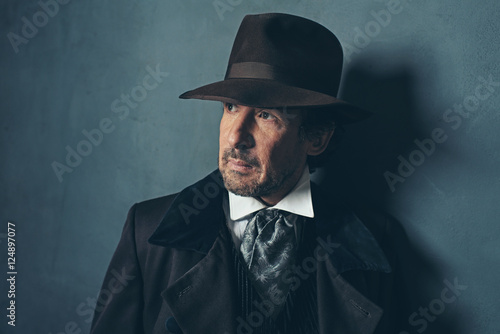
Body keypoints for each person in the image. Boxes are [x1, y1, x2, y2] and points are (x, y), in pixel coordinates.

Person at [90, 13, 404, 334]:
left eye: (266, 115)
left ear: (316, 138)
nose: (235, 137)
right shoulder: (146, 232)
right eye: (231, 107)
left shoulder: (375, 239)